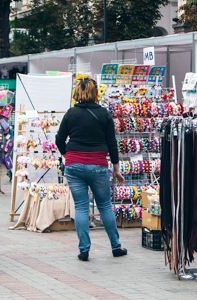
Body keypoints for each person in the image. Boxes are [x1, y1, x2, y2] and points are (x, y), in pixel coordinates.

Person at [55, 77, 127, 262]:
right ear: (95, 93)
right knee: (104, 206)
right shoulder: (104, 114)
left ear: (78, 92)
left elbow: (59, 139)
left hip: (74, 165)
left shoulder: (70, 114)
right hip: (98, 165)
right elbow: (112, 144)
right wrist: (117, 168)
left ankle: (84, 249)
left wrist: (68, 155)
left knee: (80, 206)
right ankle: (116, 246)